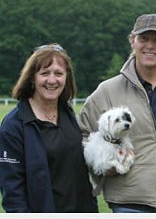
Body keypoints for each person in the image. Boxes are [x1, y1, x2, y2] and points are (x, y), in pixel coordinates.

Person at [77, 14, 156, 213]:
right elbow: (82, 137)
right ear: (132, 41)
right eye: (144, 39)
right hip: (128, 203)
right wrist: (102, 164)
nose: (150, 46)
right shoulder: (106, 91)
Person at [0, 44, 98, 212]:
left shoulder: (69, 115)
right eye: (45, 73)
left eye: (58, 73)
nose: (52, 80)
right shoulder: (14, 125)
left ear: (66, 78)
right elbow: (12, 191)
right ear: (32, 77)